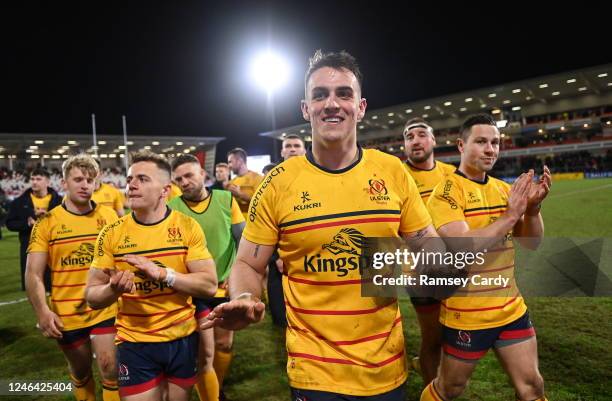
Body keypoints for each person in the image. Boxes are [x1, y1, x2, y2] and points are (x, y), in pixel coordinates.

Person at [203, 50, 438, 400]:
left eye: (344, 93)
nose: (332, 103)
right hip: (314, 372)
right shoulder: (279, 182)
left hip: (386, 368)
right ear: (305, 108)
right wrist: (244, 296)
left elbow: (429, 248)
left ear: (360, 107)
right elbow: (248, 262)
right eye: (320, 95)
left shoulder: (391, 171)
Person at [420, 114, 551, 401]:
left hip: (511, 310)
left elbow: (531, 243)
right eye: (481, 142)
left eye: (495, 142)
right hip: (467, 314)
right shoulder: (445, 193)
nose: (490, 149)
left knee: (532, 387)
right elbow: (462, 248)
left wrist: (532, 210)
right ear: (460, 145)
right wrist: (511, 214)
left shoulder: (505, 190)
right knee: (450, 388)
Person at [85, 150, 218, 401]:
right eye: (129, 179)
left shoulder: (187, 227)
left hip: (182, 339)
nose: (131, 185)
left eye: (142, 179)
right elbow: (91, 296)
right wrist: (113, 290)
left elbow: (209, 285)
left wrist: (163, 274)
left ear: (165, 190)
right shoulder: (112, 233)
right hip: (135, 343)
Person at [26, 154, 120, 401]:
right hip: (67, 312)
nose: (85, 185)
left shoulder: (109, 217)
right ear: (64, 183)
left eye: (90, 180)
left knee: (111, 369)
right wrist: (43, 312)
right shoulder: (47, 222)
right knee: (80, 371)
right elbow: (33, 273)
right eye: (78, 179)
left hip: (105, 306)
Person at [169, 154, 245, 401]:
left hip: (225, 286)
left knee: (224, 345)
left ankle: (217, 389)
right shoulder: (173, 208)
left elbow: (241, 241)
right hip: (196, 290)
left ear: (203, 174)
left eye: (189, 175)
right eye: (179, 179)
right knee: (204, 353)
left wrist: (234, 274)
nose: (185, 182)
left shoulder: (225, 199)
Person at [402, 117, 455, 385]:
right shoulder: (397, 174)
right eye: (409, 137)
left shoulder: (450, 173)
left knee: (454, 332)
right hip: (420, 272)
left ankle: (436, 374)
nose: (415, 141)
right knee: (432, 337)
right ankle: (430, 389)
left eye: (421, 134)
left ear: (433, 140)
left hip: (455, 266)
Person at [267, 134, 307, 328]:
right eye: (288, 146)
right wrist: (276, 255)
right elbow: (266, 223)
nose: (292, 149)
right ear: (282, 152)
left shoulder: (319, 177)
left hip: (315, 260)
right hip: (280, 263)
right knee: (283, 320)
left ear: (304, 151)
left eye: (296, 146)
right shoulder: (271, 183)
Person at [6, 167, 62, 290]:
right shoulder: (19, 202)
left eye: (38, 179)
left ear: (47, 182)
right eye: (32, 179)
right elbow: (10, 223)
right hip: (30, 247)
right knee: (33, 285)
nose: (34, 182)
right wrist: (27, 223)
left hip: (55, 247)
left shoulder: (60, 201)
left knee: (56, 285)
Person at [226, 148, 263, 219]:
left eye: (230, 162)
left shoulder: (257, 178)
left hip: (253, 224)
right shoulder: (231, 183)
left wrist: (240, 194)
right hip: (236, 225)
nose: (229, 165)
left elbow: (261, 203)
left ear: (240, 161)